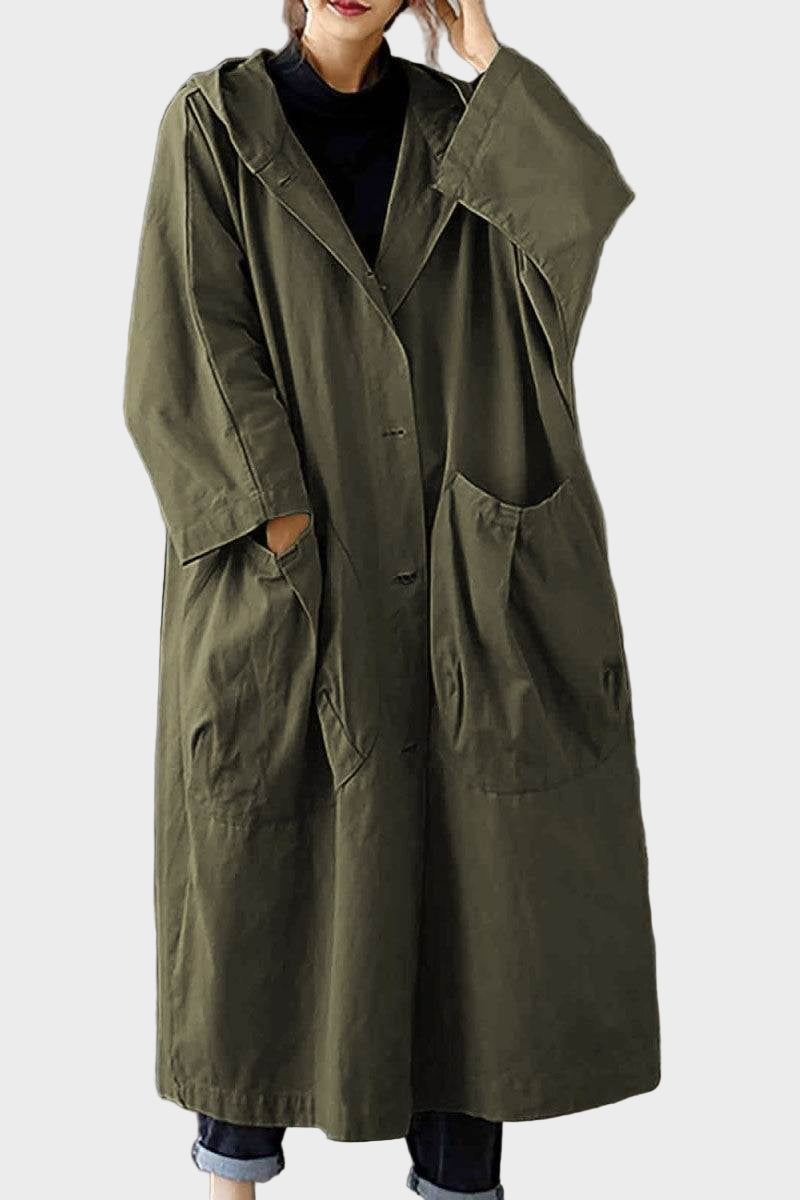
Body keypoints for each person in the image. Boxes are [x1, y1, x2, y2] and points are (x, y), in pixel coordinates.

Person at [123, 1, 660, 1197]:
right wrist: (277, 521)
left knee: (471, 915)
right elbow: (184, 340)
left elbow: (574, 223)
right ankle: (230, 1181)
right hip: (292, 586)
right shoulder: (214, 126)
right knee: (257, 896)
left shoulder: (464, 128)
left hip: (462, 587)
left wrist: (482, 55)